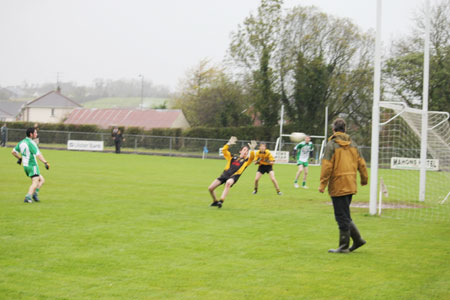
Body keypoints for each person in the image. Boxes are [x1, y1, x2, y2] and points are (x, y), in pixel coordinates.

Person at [319, 118, 368, 253]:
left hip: (338, 184)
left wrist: (322, 184)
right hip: (350, 183)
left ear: (334, 130)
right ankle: (358, 240)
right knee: (345, 214)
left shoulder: (332, 145)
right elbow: (362, 163)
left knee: (341, 216)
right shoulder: (354, 144)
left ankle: (344, 246)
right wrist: (364, 179)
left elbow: (327, 166)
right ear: (345, 129)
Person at [208, 136, 257, 208]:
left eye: (247, 151)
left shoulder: (247, 161)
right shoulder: (233, 157)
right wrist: (229, 143)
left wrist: (252, 150)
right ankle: (215, 201)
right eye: (244, 150)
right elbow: (224, 151)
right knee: (210, 188)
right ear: (240, 151)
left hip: (234, 177)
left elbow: (252, 158)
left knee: (228, 183)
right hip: (224, 175)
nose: (246, 152)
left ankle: (221, 201)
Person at [11, 127, 50, 203]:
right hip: (32, 165)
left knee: (41, 180)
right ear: (31, 134)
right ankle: (28, 197)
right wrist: (45, 162)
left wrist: (20, 158)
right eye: (35, 132)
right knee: (35, 182)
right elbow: (39, 155)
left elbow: (13, 152)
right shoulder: (32, 143)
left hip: (26, 166)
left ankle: (35, 194)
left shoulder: (22, 142)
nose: (36, 134)